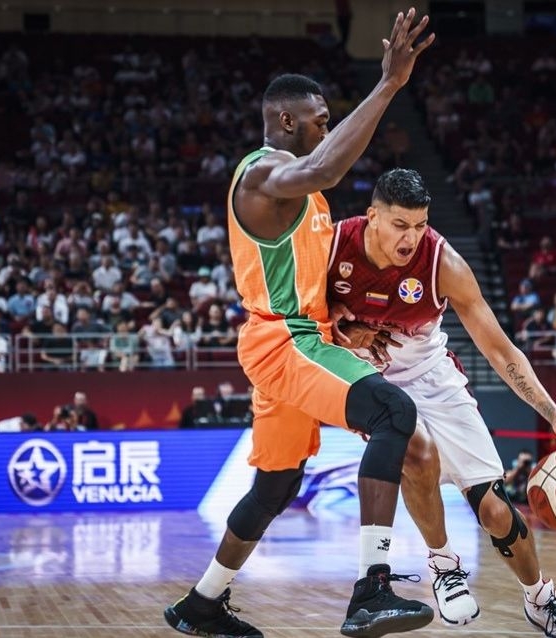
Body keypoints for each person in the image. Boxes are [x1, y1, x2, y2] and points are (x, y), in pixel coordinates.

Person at [164, 12, 437, 638]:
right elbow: (324, 169)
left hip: (296, 338)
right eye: (320, 120)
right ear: (287, 121)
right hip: (284, 341)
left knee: (277, 484)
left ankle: (201, 604)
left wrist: (339, 317)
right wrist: (389, 84)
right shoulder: (264, 173)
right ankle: (371, 589)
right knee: (393, 412)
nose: (327, 128)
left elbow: (307, 273)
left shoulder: (307, 196)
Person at [327, 168, 556, 637]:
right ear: (372, 216)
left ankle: (541, 599)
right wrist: (339, 323)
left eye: (420, 225)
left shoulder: (443, 263)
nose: (411, 238)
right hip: (369, 380)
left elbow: (499, 349)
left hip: (433, 376)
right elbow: (294, 311)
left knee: (495, 511)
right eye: (400, 225)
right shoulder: (333, 246)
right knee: (415, 449)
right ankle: (443, 565)